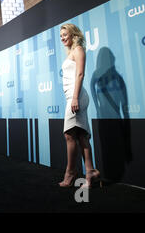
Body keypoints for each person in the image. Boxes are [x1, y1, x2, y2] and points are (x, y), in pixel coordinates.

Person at [59, 23, 101, 189]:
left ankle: (70, 172)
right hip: (73, 96)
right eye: (61, 36)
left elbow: (80, 74)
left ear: (73, 34)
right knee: (81, 135)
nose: (62, 38)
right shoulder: (71, 52)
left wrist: (75, 97)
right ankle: (90, 172)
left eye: (65, 34)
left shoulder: (78, 50)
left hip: (76, 97)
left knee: (69, 135)